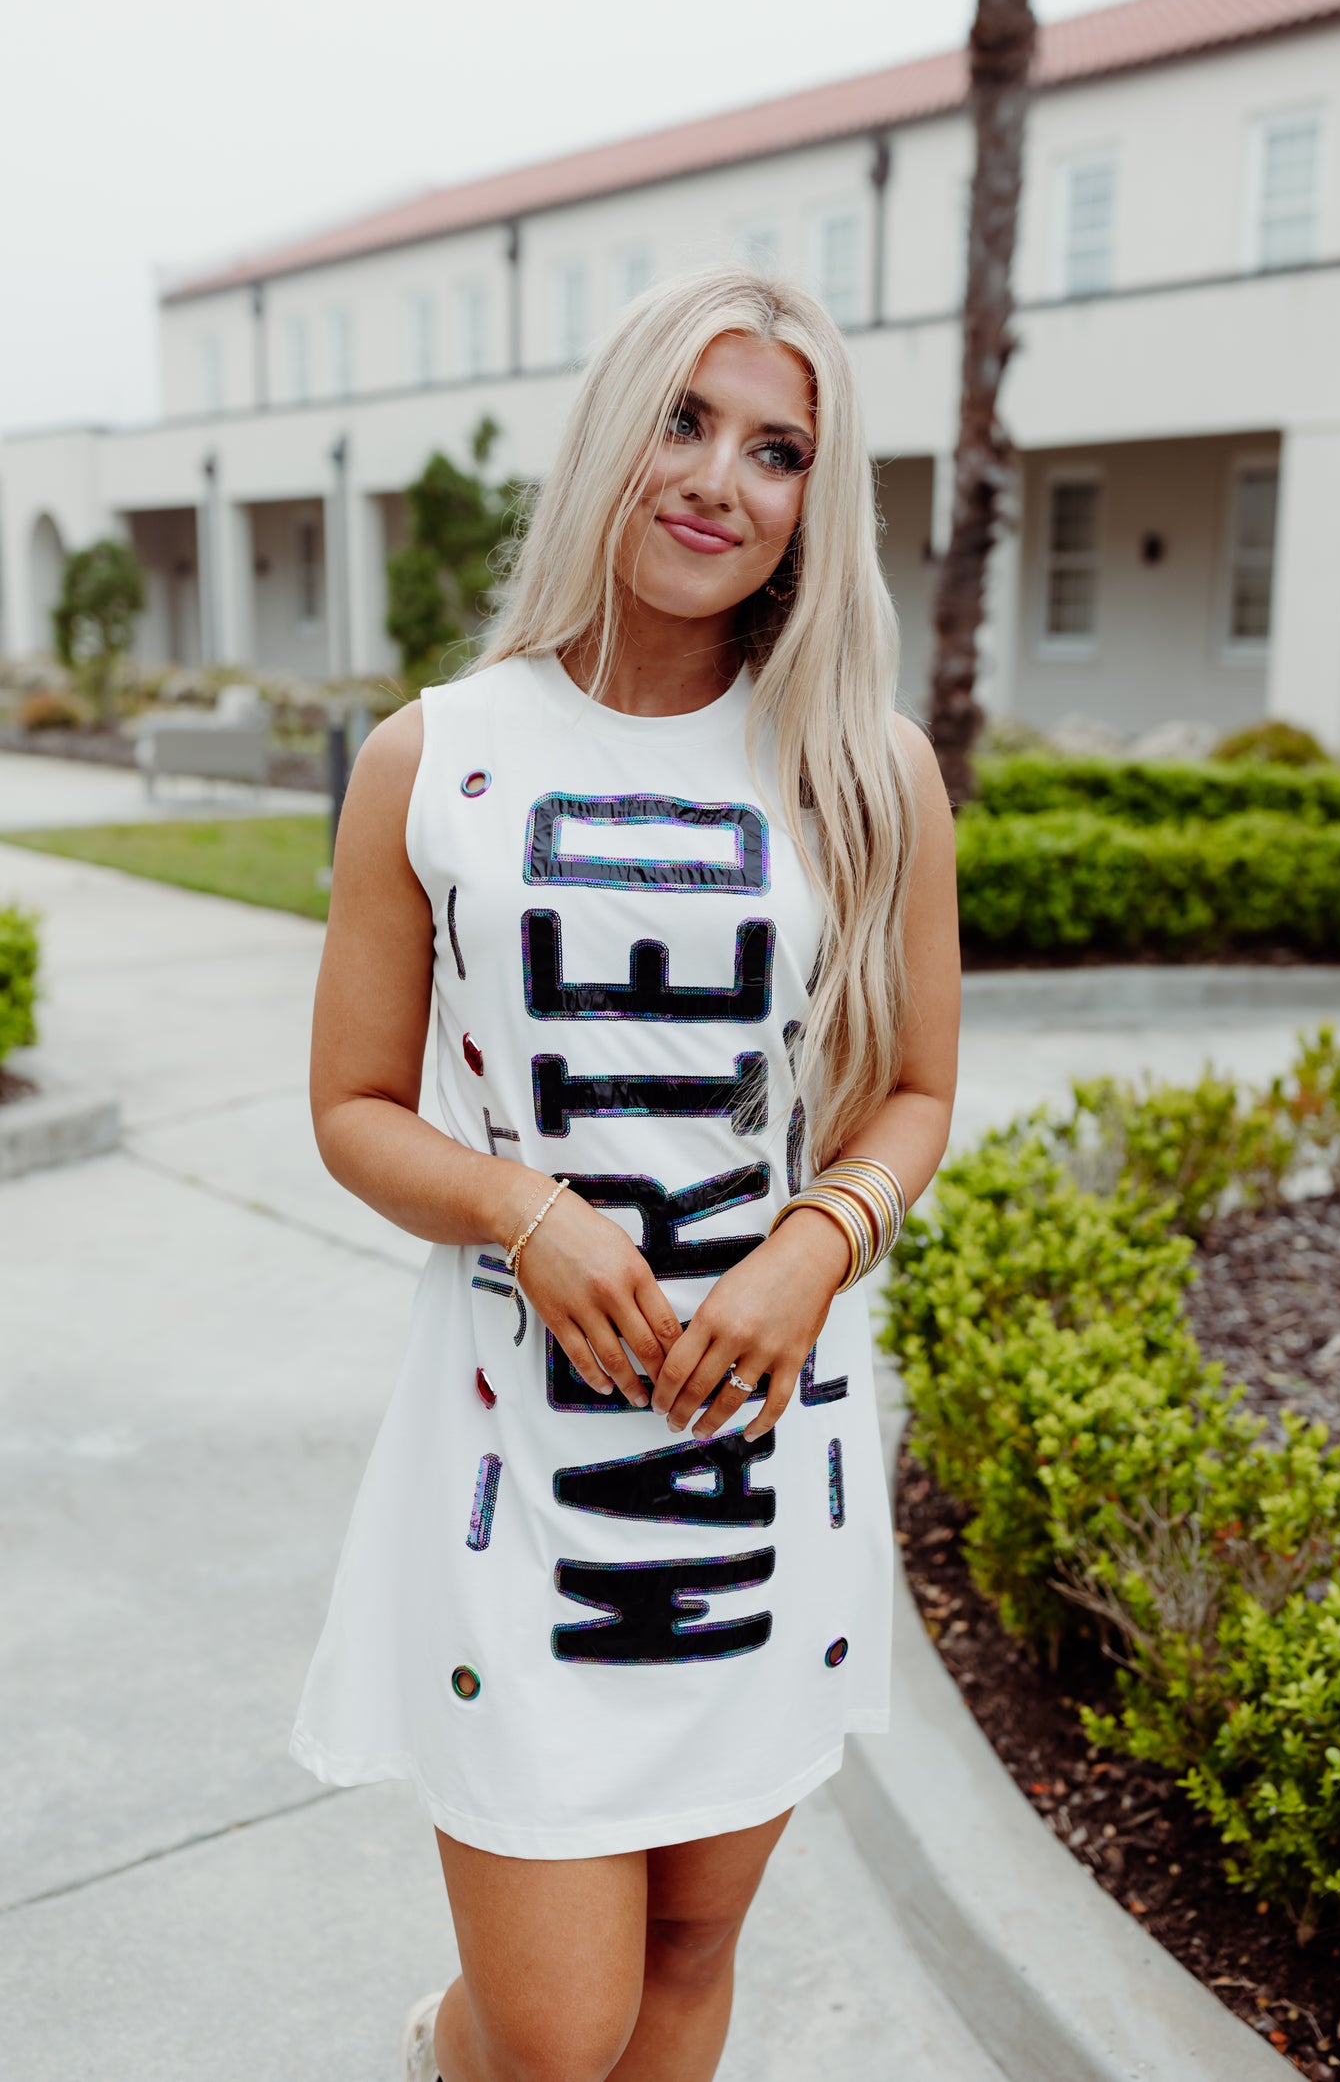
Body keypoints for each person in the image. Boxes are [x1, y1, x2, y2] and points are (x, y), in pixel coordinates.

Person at [291, 264, 960, 2082]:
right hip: (525, 1461)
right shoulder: (437, 757)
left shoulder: (868, 775)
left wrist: (818, 1242)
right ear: (613, 432)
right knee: (556, 2024)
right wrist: (526, 1207)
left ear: (820, 500)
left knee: (685, 1950)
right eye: (685, 419)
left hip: (764, 1457)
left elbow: (912, 1092)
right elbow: (355, 1103)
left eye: (778, 448)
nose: (719, 480)